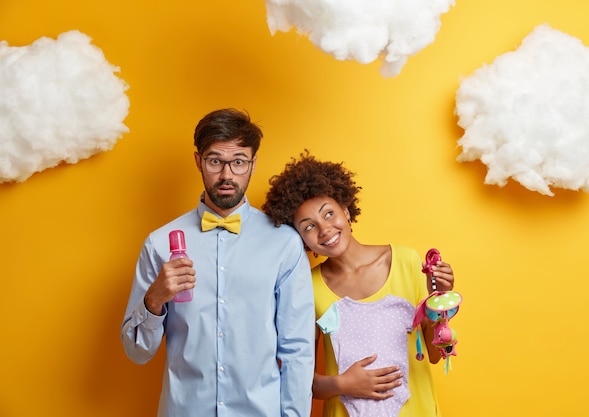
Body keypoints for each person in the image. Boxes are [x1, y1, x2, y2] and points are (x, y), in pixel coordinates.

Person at [121, 109, 316, 417]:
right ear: (198, 161)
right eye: (215, 161)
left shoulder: (284, 244)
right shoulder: (158, 244)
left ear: (253, 164)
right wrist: (154, 299)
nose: (227, 175)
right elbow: (137, 352)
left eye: (238, 162)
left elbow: (297, 351)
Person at [262, 151, 456, 417]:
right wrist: (343, 383)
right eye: (308, 227)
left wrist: (438, 303)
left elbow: (434, 355)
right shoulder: (307, 287)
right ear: (300, 239)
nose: (324, 229)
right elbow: (295, 376)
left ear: (345, 209)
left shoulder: (406, 262)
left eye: (329, 214)